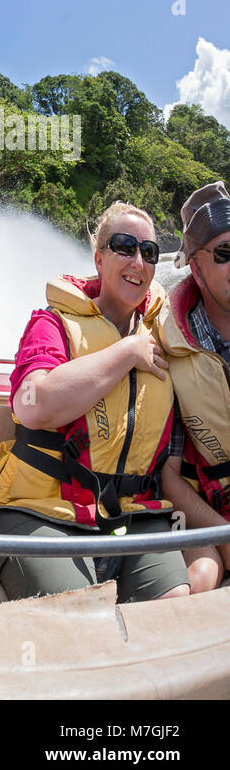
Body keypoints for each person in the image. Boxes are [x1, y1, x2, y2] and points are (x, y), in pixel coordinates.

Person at [0, 201, 190, 602]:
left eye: (148, 252)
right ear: (98, 258)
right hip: (41, 509)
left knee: (174, 604)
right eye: (124, 246)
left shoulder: (166, 329)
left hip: (132, 512)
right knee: (78, 613)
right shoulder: (51, 324)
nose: (138, 261)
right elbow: (33, 405)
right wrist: (128, 352)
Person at [158, 182, 230, 591]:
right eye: (224, 254)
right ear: (196, 267)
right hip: (203, 510)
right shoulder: (167, 346)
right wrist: (222, 534)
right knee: (202, 578)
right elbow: (169, 477)